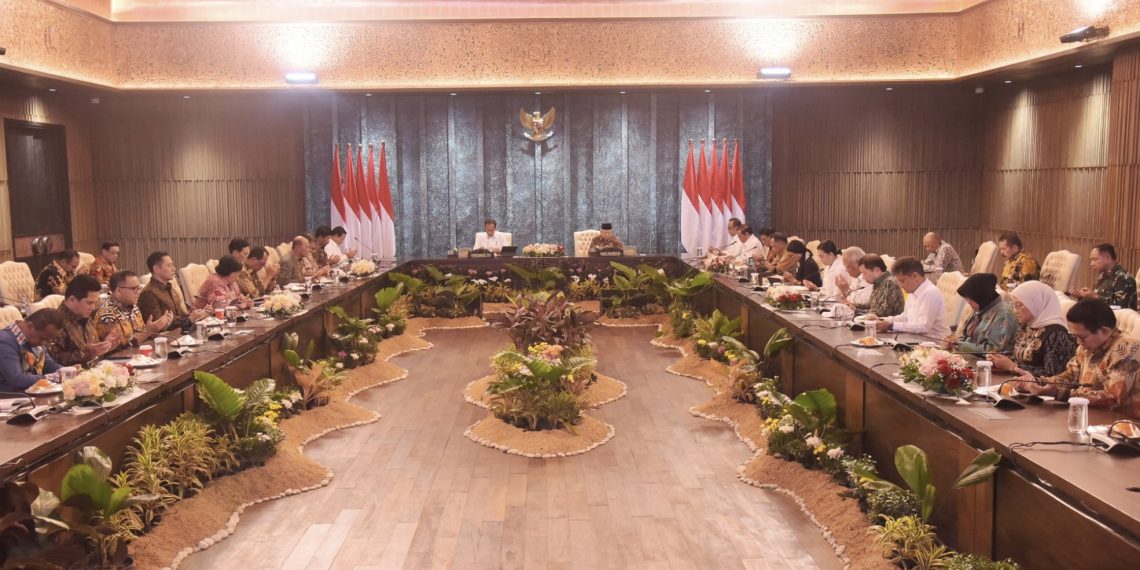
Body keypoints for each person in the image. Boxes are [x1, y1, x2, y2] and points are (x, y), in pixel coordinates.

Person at [1013, 299, 1140, 419]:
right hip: (1092, 418)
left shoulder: (1126, 350)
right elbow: (1070, 376)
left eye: (1082, 337)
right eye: (1075, 336)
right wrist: (1038, 383)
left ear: (1104, 331)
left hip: (1125, 425)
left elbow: (1112, 398)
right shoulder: (1085, 348)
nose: (1078, 342)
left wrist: (1059, 392)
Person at [988, 281, 1076, 378]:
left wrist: (1013, 367)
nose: (1015, 310)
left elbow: (1054, 374)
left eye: (1019, 305)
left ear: (1036, 303)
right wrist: (999, 361)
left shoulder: (1057, 333)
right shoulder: (1026, 327)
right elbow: (1020, 359)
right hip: (1019, 384)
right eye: (1013, 306)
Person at [45, 275, 118, 366]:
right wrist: (88, 353)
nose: (93, 307)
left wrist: (104, 346)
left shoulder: (85, 316)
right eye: (89, 303)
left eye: (95, 302)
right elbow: (54, 360)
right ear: (72, 299)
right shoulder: (55, 322)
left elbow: (92, 348)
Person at [873, 256, 950, 339]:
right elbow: (905, 317)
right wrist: (881, 320)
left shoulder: (930, 293)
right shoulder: (913, 291)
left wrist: (891, 326)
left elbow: (923, 327)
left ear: (915, 276)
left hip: (935, 343)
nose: (901, 286)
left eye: (903, 281)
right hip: (915, 339)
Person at [98, 270, 173, 350]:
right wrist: (147, 331)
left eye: (139, 288)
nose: (139, 292)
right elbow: (119, 349)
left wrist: (158, 328)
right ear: (119, 291)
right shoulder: (107, 314)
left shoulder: (134, 307)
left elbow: (143, 334)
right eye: (134, 289)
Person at [949, 273, 1018, 354]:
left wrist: (963, 346)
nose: (968, 303)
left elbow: (995, 351)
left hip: (989, 364)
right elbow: (965, 337)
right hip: (968, 357)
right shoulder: (981, 308)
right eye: (967, 299)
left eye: (971, 300)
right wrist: (954, 342)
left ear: (982, 297)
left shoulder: (1004, 314)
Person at [138, 251, 208, 330]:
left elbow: (181, 315)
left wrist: (197, 315)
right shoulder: (148, 293)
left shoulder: (170, 288)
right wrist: (189, 319)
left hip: (181, 332)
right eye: (169, 265)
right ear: (156, 269)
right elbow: (158, 326)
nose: (174, 269)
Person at [0, 309, 63, 392]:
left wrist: (66, 372)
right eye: (42, 338)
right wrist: (51, 377)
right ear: (30, 326)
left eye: (48, 340)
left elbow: (49, 365)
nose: (44, 343)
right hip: (10, 398)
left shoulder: (32, 340)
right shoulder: (4, 342)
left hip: (33, 394)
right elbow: (17, 379)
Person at [1069, 243, 1137, 310]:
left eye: (1095, 259)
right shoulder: (1102, 276)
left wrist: (1094, 296)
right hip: (1099, 317)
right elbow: (1096, 303)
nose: (1091, 264)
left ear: (1107, 258)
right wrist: (1082, 296)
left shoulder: (1124, 278)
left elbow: (1120, 307)